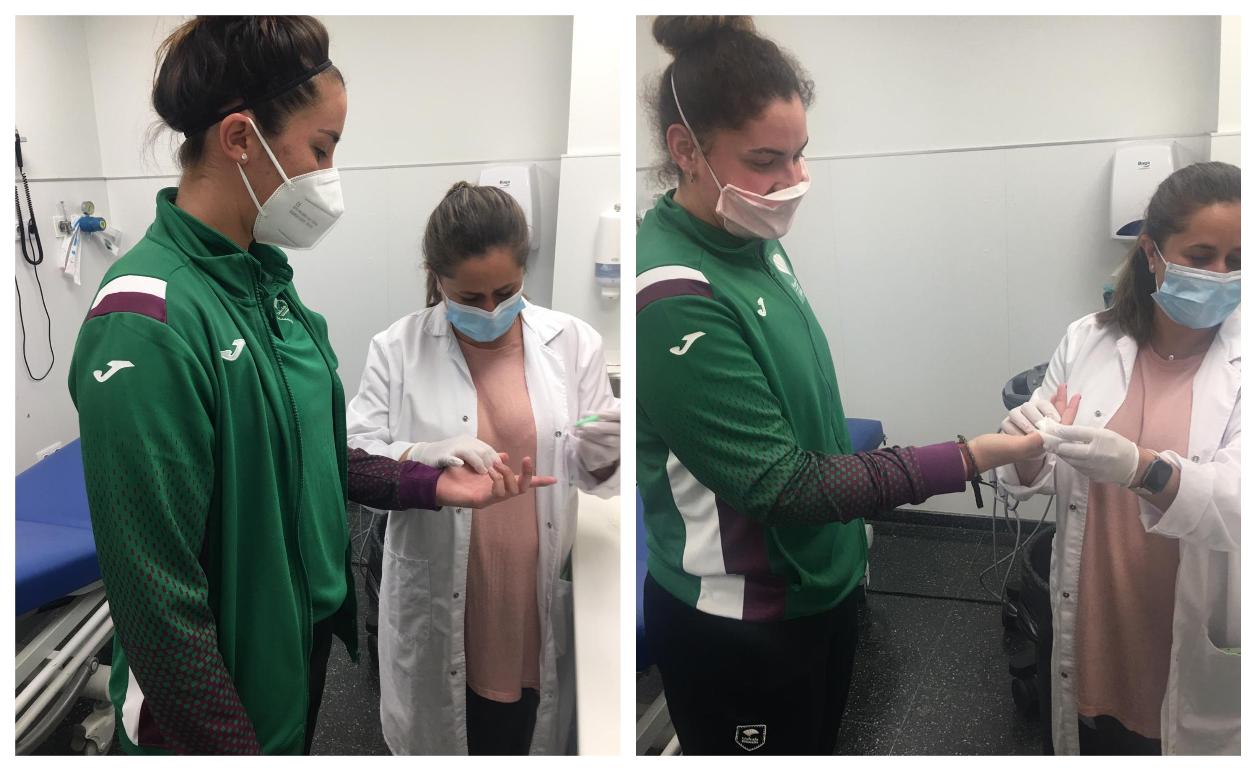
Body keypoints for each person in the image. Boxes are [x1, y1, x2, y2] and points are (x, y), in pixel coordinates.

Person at [68, 17, 550, 756]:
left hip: (296, 652)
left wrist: (426, 481)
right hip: (211, 698)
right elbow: (154, 600)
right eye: (321, 149)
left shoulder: (277, 298)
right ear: (239, 139)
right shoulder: (147, 320)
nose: (328, 176)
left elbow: (321, 458)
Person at [636, 16, 1046, 755]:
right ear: (685, 149)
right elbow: (782, 486)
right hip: (740, 619)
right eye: (767, 160)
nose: (793, 181)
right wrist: (971, 455)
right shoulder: (670, 297)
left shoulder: (754, 240)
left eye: (800, 155)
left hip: (818, 586)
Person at [346, 181, 620, 755]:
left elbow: (593, 471)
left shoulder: (573, 341)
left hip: (528, 588)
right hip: (441, 587)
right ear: (437, 278)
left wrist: (606, 448)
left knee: (519, 730)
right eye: (470, 297)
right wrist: (426, 457)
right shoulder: (397, 347)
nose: (491, 309)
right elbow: (353, 460)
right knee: (446, 735)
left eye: (507, 290)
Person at [999, 161, 1240, 755]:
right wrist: (1025, 446)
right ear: (1153, 254)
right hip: (1095, 607)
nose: (1222, 275)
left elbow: (1237, 505)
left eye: (1238, 260)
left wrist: (1142, 469)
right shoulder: (1090, 339)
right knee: (1093, 734)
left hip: (1187, 621)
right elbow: (1036, 469)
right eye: (1202, 254)